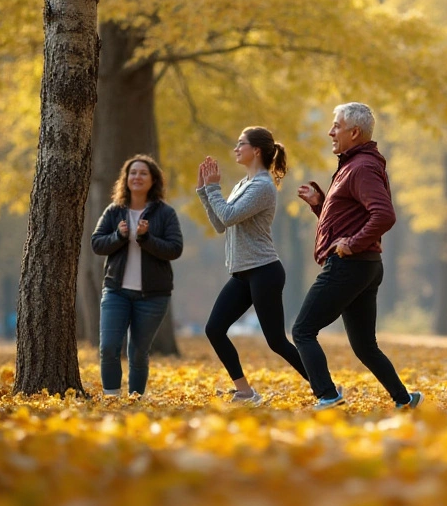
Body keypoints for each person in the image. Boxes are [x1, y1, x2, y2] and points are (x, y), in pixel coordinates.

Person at [293, 103, 422, 410]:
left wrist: (352, 242)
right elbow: (350, 216)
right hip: (364, 266)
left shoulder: (361, 166)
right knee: (365, 345)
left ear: (354, 132)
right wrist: (320, 203)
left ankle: (326, 394)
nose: (330, 131)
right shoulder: (353, 165)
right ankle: (405, 400)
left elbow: (384, 215)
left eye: (336, 126)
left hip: (350, 266)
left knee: (302, 330)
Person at [197, 127, 309, 405]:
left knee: (276, 341)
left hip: (264, 270)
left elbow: (230, 214)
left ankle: (327, 387)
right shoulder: (241, 185)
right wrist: (203, 191)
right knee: (214, 329)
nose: (236, 148)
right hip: (242, 273)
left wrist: (212, 188)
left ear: (256, 150)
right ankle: (245, 392)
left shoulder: (262, 186)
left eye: (241, 144)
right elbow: (221, 224)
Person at [90, 154, 184, 397]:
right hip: (116, 291)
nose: (137, 177)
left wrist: (146, 238)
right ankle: (112, 399)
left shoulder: (165, 214)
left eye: (143, 173)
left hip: (153, 296)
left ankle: (135, 400)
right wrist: (118, 237)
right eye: (133, 172)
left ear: (153, 180)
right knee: (109, 348)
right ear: (126, 178)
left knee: (138, 352)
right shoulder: (114, 211)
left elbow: (175, 249)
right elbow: (97, 243)